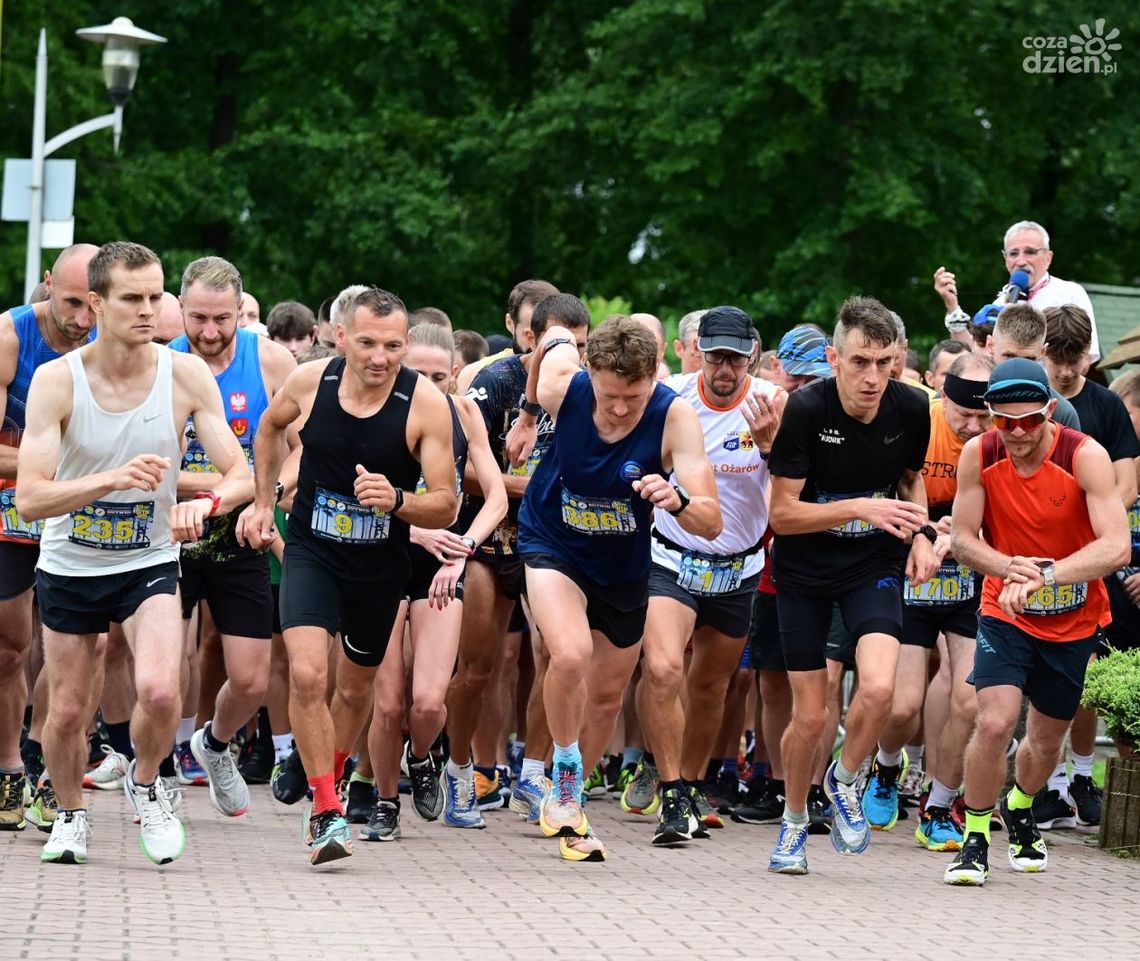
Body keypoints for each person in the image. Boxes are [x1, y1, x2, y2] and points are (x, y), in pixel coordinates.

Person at [18, 241, 254, 865]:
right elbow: (35, 498)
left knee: (158, 689)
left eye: (156, 297)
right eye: (132, 298)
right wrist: (111, 479)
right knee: (66, 710)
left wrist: (202, 507)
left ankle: (148, 785)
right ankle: (70, 817)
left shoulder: (183, 375)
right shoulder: (57, 381)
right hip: (71, 562)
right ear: (95, 304)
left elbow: (243, 474)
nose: (148, 310)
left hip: (147, 558)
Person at [239, 286, 457, 865]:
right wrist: (264, 503)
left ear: (406, 344)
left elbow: (447, 504)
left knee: (355, 688)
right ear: (341, 337)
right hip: (312, 551)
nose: (380, 357)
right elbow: (266, 429)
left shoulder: (426, 405)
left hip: (379, 566)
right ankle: (325, 808)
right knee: (309, 674)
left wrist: (399, 500)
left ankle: (327, 773)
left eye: (392, 345)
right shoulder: (313, 384)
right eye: (367, 342)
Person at [507, 315, 722, 862]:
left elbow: (713, 522)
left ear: (655, 378)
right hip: (551, 539)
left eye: (633, 395)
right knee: (570, 653)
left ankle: (571, 804)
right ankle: (564, 768)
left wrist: (678, 502)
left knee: (604, 698)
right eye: (609, 395)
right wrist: (530, 415)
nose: (622, 408)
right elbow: (550, 340)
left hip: (623, 565)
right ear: (590, 374)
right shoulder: (564, 382)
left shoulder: (674, 416)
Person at [766, 296, 936, 875]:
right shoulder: (805, 410)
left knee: (881, 689)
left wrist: (921, 534)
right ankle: (792, 824)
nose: (872, 377)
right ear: (833, 358)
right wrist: (862, 506)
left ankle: (844, 778)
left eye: (884, 362)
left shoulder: (913, 409)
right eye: (860, 361)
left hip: (873, 565)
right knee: (811, 717)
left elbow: (912, 483)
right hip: (804, 570)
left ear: (898, 359)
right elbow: (782, 516)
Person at [943, 358, 1128, 885]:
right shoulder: (980, 454)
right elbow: (962, 539)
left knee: (1047, 739)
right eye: (1006, 421)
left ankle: (1021, 806)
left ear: (1050, 410)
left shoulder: (1084, 454)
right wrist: (1007, 567)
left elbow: (1115, 547)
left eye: (1030, 420)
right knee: (996, 721)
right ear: (991, 416)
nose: (1019, 432)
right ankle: (975, 837)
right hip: (1005, 609)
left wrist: (1047, 577)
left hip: (1073, 616)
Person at [634, 306, 783, 844]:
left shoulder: (774, 402)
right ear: (697, 349)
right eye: (714, 355)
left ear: (751, 357)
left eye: (735, 358)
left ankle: (691, 785)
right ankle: (670, 786)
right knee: (664, 668)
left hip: (738, 565)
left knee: (710, 686)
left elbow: (794, 482)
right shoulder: (670, 399)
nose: (723, 368)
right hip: (672, 555)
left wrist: (770, 447)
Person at [444, 292, 585, 828]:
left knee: (557, 656)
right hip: (483, 532)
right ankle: (462, 772)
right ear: (531, 339)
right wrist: (534, 485)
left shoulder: (584, 388)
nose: (572, 356)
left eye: (582, 346)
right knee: (480, 665)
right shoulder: (494, 382)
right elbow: (465, 468)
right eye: (561, 344)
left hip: (544, 538)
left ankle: (531, 773)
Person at [362, 323, 506, 841]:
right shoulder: (373, 406)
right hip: (381, 557)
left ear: (455, 376)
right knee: (388, 703)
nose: (427, 383)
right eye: (416, 373)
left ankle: (421, 758)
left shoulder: (464, 412)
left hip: (442, 565)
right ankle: (383, 801)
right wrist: (420, 532)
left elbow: (495, 496)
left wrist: (465, 546)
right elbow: (356, 494)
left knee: (427, 702)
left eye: (439, 376)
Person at [167, 256, 296, 819]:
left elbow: (304, 450)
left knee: (249, 677)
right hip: (169, 531)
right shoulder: (159, 363)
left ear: (241, 311)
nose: (210, 332)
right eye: (198, 318)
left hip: (242, 533)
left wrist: (265, 496)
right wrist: (221, 484)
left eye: (222, 319)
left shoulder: (270, 360)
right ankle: (155, 773)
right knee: (165, 666)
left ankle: (214, 744)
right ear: (181, 308)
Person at [862, 352, 993, 849]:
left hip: (969, 582)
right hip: (914, 578)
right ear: (945, 398)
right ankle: (887, 766)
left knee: (969, 699)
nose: (974, 426)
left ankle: (939, 805)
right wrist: (923, 529)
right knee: (902, 707)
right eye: (965, 415)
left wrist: (959, 537)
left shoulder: (1001, 440)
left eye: (985, 417)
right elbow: (892, 487)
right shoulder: (920, 419)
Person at [0, 244, 98, 833]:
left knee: (91, 646)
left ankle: (39, 757)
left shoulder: (111, 346)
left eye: (92, 307)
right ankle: (9, 764)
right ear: (46, 285)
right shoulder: (10, 339)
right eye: (70, 304)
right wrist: (45, 469)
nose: (82, 322)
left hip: (85, 505)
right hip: (13, 504)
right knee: (11, 645)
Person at [1034, 304, 1140, 828]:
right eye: (1057, 357)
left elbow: (1127, 483)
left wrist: (1096, 527)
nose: (1067, 369)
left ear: (1088, 355)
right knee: (1040, 673)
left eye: (1076, 358)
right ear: (1042, 352)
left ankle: (1079, 774)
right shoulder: (1028, 402)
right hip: (1033, 553)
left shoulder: (1106, 406)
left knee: (1087, 670)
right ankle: (1047, 784)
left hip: (1091, 554)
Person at [935, 220, 1102, 362]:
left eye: (1030, 252)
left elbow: (1086, 358)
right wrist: (952, 306)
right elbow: (974, 356)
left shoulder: (1070, 293)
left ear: (1048, 258)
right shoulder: (999, 304)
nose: (1021, 261)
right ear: (1005, 259)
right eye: (1013, 254)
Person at [984, 303, 1081, 430]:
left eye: (1029, 359)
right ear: (990, 345)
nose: (1018, 369)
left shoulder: (1062, 413)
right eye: (1009, 357)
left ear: (1043, 352)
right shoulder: (966, 397)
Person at [672, 309, 706, 375]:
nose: (707, 365)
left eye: (715, 357)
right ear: (678, 348)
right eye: (698, 356)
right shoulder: (666, 384)